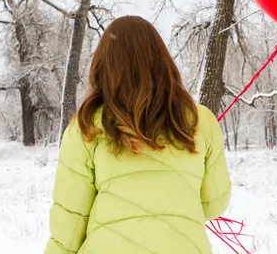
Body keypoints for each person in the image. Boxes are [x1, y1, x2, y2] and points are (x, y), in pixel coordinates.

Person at [45, 16, 231, 254]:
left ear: (103, 66)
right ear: (162, 60)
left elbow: (68, 222)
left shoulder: (85, 126)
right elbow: (214, 203)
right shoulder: (200, 121)